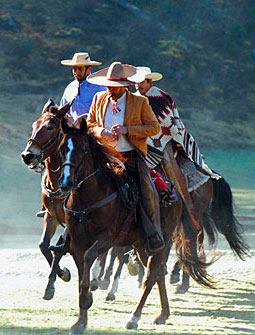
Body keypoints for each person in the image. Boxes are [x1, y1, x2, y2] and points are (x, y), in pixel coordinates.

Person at [86, 61, 164, 255]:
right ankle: (70, 231)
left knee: (146, 190)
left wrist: (127, 130)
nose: (110, 90)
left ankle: (150, 232)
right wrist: (101, 131)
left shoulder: (140, 102)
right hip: (103, 157)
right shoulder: (99, 98)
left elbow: (154, 128)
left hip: (130, 158)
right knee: (78, 180)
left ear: (125, 86)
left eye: (114, 87)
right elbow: (90, 124)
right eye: (109, 86)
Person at [60, 52, 106, 121]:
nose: (76, 72)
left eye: (80, 69)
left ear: (89, 69)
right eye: (74, 69)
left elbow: (105, 111)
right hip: (72, 129)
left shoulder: (100, 87)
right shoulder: (70, 88)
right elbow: (63, 110)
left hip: (93, 128)